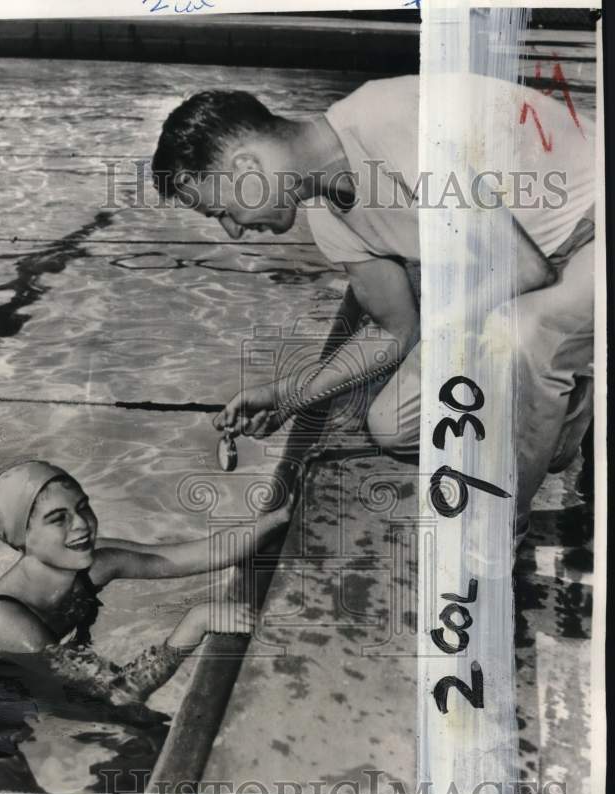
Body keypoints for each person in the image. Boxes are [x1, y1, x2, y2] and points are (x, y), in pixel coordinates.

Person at [151, 75, 596, 538]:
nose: (233, 232)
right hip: (530, 272)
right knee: (394, 427)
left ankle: (501, 533)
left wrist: (443, 334)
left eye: (221, 211)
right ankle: (571, 402)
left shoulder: (391, 117)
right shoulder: (329, 220)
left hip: (592, 224)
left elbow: (524, 270)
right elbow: (394, 331)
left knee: (521, 335)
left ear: (245, 166)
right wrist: (290, 395)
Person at [0, 460, 290, 791]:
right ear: (22, 539)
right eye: (58, 518)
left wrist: (278, 518)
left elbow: (194, 555)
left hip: (45, 686)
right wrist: (193, 625)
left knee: (157, 743)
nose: (81, 525)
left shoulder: (91, 563)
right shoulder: (2, 620)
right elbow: (116, 695)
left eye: (83, 507)